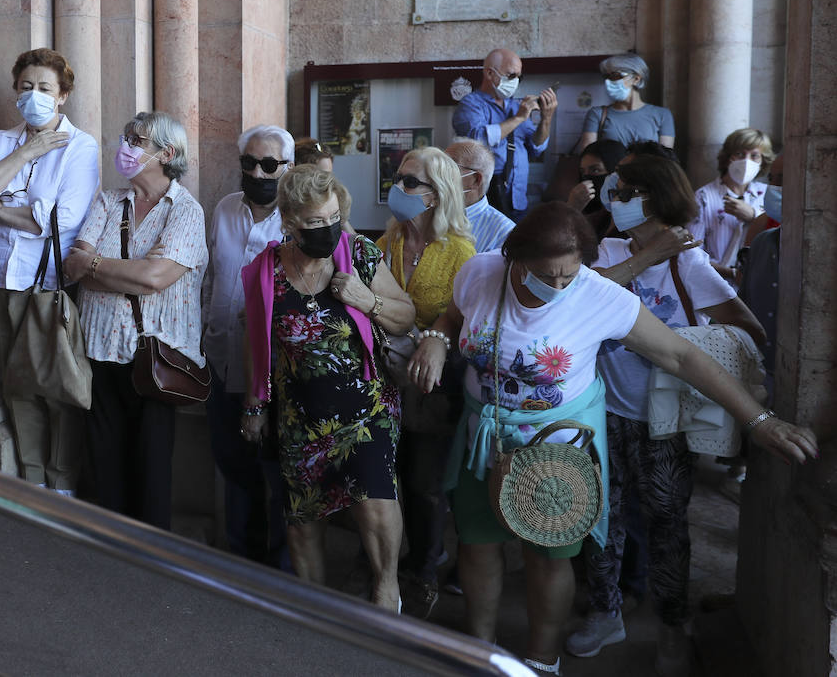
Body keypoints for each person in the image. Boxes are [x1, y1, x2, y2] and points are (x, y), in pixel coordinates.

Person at [406, 202, 815, 674]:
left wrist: (759, 421)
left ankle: (541, 661)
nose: (559, 287)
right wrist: (436, 338)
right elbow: (454, 316)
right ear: (514, 258)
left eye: (569, 275)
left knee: (549, 553)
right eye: (545, 276)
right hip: (485, 435)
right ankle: (480, 651)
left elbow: (681, 357)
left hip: (558, 447)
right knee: (477, 543)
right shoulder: (481, 271)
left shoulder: (598, 295)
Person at [567, 156, 765, 674]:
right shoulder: (603, 251)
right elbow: (577, 299)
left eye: (628, 191)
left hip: (665, 422)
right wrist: (644, 256)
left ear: (655, 199)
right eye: (617, 190)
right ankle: (606, 612)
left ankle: (672, 628)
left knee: (666, 526)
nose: (616, 199)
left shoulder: (688, 265)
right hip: (601, 410)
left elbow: (749, 333)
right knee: (598, 520)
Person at [238, 167, 416, 609]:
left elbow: (406, 315)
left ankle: (387, 592)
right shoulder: (266, 271)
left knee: (375, 499)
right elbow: (256, 342)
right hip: (300, 414)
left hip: (366, 407)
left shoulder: (358, 254)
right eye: (315, 223)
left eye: (333, 217)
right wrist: (255, 404)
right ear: (290, 223)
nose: (328, 229)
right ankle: (316, 615)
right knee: (303, 520)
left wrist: (365, 300)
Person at [0, 48, 99, 494]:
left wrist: (3, 211)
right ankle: (33, 479)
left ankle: (63, 482)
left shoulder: (81, 146)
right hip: (0, 278)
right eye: (25, 87)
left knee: (57, 383)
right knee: (16, 383)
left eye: (44, 88)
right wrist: (29, 151)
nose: (33, 96)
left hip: (49, 284)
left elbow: (62, 219)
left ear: (63, 97)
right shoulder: (1, 142)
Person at [64, 112, 207, 529]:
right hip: (99, 350)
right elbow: (72, 265)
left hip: (155, 357)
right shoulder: (108, 201)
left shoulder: (185, 212)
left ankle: (151, 558)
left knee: (150, 466)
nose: (126, 147)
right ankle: (113, 548)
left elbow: (153, 278)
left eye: (138, 140)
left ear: (168, 153)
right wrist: (105, 266)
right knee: (104, 461)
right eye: (126, 137)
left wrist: (96, 265)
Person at [377, 147, 476, 615]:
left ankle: (425, 569)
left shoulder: (460, 251)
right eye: (398, 179)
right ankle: (382, 565)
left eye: (410, 182)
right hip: (385, 377)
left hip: (434, 382)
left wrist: (434, 337)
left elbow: (464, 318)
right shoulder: (390, 239)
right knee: (385, 474)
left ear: (437, 196)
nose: (399, 189)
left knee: (424, 482)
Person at [201, 125, 292, 566]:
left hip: (276, 374)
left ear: (288, 169)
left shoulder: (299, 222)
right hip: (221, 362)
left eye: (270, 165)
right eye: (249, 163)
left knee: (280, 473)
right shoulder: (222, 210)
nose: (258, 172)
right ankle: (242, 560)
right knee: (233, 466)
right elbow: (209, 279)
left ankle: (281, 569)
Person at [451, 49, 558, 219]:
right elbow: (479, 140)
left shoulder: (516, 106)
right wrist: (519, 118)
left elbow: (537, 147)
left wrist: (546, 118)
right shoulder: (470, 105)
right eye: (511, 75)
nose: (515, 82)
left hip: (518, 199)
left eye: (519, 77)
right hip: (486, 199)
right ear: (489, 73)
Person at [688, 128, 774, 286]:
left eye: (754, 155)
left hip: (758, 284)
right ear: (728, 157)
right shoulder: (704, 196)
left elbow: (780, 241)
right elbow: (692, 252)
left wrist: (754, 217)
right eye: (740, 154)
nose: (746, 161)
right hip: (715, 283)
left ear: (763, 160)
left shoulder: (767, 195)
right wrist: (732, 273)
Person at [738, 153, 783, 384]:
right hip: (759, 373)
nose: (774, 188)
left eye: (783, 179)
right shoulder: (762, 242)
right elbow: (743, 304)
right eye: (773, 179)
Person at [574, 55, 676, 151]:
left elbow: (665, 159)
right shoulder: (597, 114)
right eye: (607, 77)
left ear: (636, 79)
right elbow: (587, 155)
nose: (609, 81)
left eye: (616, 75)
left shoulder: (662, 115)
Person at [446, 137, 514, 253]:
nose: (436, 173)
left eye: (449, 166)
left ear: (476, 180)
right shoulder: (427, 212)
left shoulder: (504, 234)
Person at [565, 139, 626, 241]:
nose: (587, 177)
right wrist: (571, 208)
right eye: (583, 172)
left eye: (595, 170)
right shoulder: (596, 216)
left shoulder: (628, 216)